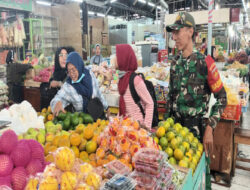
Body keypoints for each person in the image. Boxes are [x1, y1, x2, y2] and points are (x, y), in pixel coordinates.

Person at [165, 12, 227, 189]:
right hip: (174, 135)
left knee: (197, 180)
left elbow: (223, 98)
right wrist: (164, 125)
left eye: (177, 32)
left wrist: (210, 128)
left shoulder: (205, 63)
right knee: (176, 180)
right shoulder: (174, 62)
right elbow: (170, 97)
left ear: (190, 31)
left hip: (196, 133)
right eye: (172, 33)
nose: (173, 37)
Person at [111, 44, 154, 130]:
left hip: (137, 128)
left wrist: (146, 127)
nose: (114, 58)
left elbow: (150, 103)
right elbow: (124, 104)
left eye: (117, 55)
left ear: (123, 59)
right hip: (125, 127)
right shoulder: (121, 77)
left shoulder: (136, 80)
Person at [50, 52, 108, 116]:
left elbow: (98, 93)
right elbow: (58, 98)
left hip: (98, 118)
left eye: (73, 70)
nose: (71, 74)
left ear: (79, 66)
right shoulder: (68, 86)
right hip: (82, 123)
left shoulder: (90, 75)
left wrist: (107, 108)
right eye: (69, 71)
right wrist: (57, 103)